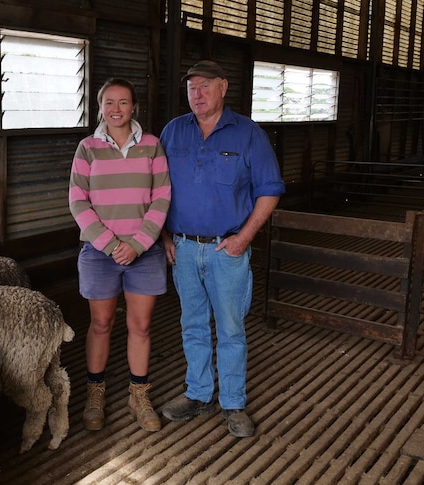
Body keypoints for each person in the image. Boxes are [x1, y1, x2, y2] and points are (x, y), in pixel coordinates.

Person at [159, 60, 285, 437]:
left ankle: (233, 403)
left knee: (231, 329)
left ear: (223, 87)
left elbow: (270, 190)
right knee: (192, 325)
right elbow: (156, 188)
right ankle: (198, 393)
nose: (196, 95)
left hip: (225, 250)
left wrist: (243, 238)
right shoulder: (173, 131)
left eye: (204, 87)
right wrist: (165, 237)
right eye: (191, 88)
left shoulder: (247, 134)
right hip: (182, 248)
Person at [69, 78, 172, 432]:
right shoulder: (88, 148)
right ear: (100, 107)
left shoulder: (153, 146)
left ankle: (138, 395)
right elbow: (77, 201)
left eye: (123, 102)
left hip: (144, 251)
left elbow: (162, 198)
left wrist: (139, 243)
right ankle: (95, 393)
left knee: (140, 326)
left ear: (134, 107)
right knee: (100, 324)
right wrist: (112, 245)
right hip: (100, 252)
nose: (116, 109)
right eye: (109, 102)